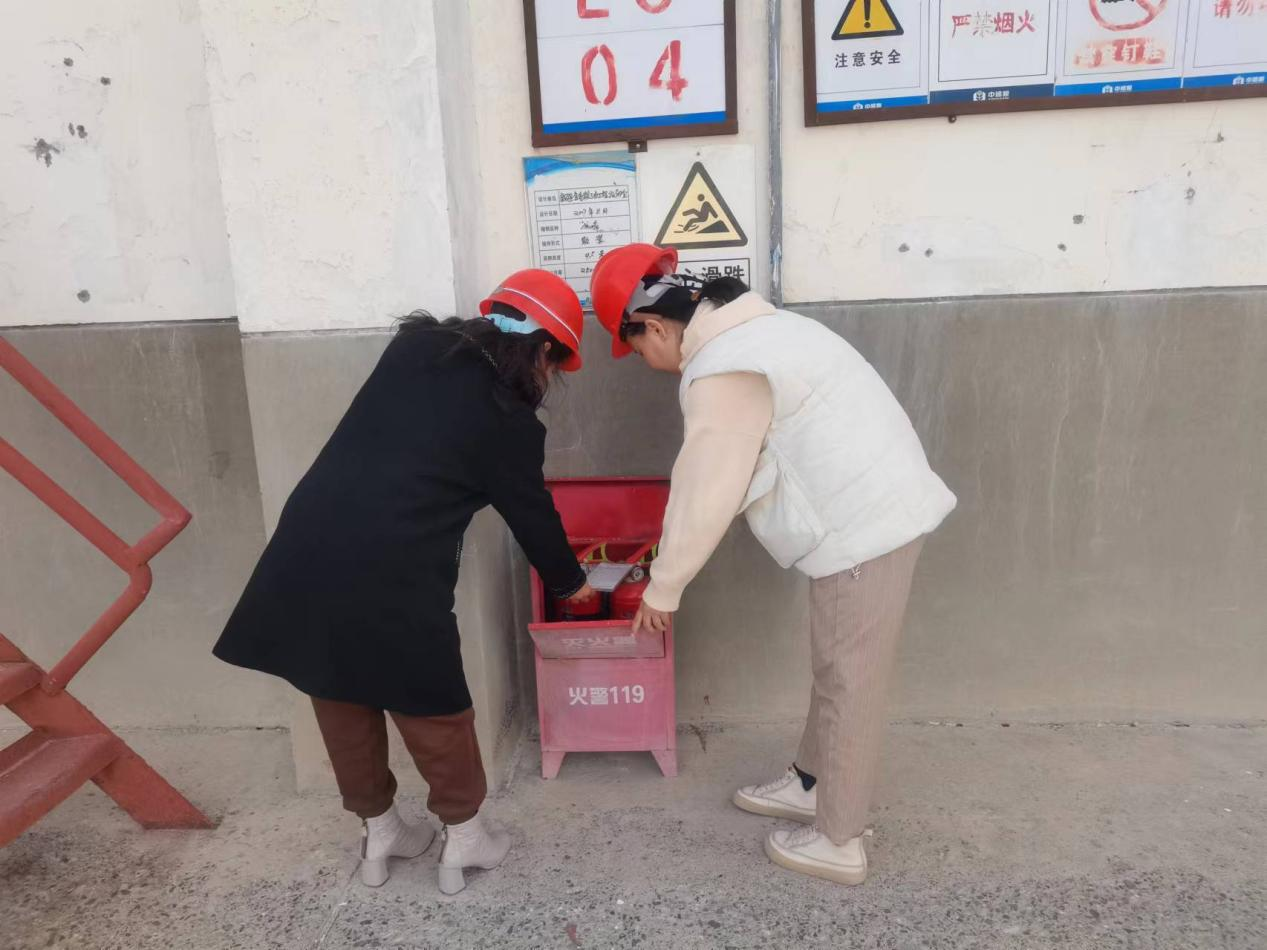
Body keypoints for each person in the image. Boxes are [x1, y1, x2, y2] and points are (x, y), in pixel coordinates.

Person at [213, 269, 595, 895]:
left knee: (337, 683)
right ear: (543, 350)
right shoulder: (509, 421)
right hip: (396, 564)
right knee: (430, 698)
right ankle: (465, 837)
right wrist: (571, 583)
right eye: (555, 363)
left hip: (306, 542)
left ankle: (380, 829)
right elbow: (533, 516)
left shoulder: (415, 346)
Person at [588, 244, 956, 886]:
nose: (647, 364)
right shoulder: (761, 331)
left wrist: (664, 587)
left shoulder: (724, 367)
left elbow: (706, 489)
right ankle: (810, 783)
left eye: (637, 350)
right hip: (873, 512)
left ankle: (838, 840)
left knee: (850, 680)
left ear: (652, 326)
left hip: (865, 528)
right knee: (837, 666)